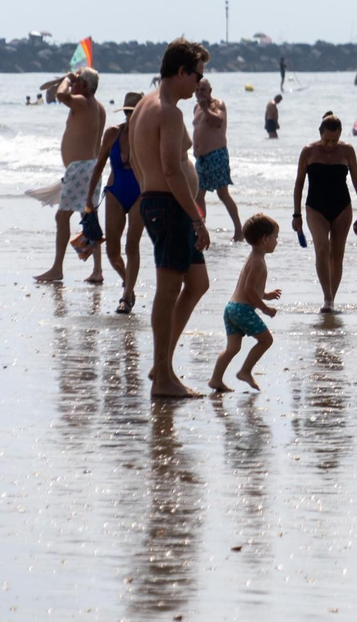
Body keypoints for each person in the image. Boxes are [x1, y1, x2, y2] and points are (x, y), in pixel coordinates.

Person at [131, 38, 214, 397]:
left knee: (197, 284)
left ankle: (160, 363)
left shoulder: (144, 106)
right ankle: (163, 379)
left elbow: (138, 162)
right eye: (197, 76)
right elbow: (170, 168)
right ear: (181, 71)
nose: (199, 83)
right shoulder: (168, 111)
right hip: (169, 205)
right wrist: (196, 217)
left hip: (159, 202)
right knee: (168, 291)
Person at [33, 67, 107, 283]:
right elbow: (56, 92)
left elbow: (60, 95)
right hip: (90, 168)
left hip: (81, 169)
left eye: (77, 82)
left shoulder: (82, 102)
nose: (73, 84)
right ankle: (97, 270)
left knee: (62, 216)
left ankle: (57, 268)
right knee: (88, 217)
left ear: (84, 86)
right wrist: (69, 79)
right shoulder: (98, 107)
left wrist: (67, 78)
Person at [292, 113, 357, 313]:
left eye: (334, 140)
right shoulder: (308, 151)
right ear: (320, 134)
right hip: (315, 207)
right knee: (322, 249)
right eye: (326, 140)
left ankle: (332, 299)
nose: (330, 144)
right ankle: (327, 298)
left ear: (340, 134)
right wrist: (296, 214)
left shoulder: (347, 150)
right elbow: (299, 183)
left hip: (342, 207)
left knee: (337, 255)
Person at [84, 91, 147, 313]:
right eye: (128, 112)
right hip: (115, 191)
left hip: (141, 193)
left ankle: (127, 296)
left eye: (136, 112)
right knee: (112, 250)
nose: (131, 116)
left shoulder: (148, 135)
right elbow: (99, 166)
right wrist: (89, 197)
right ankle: (129, 284)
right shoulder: (112, 134)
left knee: (132, 245)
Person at [208, 214, 282, 392]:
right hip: (243, 310)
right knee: (266, 340)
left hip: (231, 308)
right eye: (275, 237)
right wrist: (264, 308)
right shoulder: (258, 262)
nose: (277, 242)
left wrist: (265, 294)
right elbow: (249, 290)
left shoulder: (253, 258)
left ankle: (216, 380)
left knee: (232, 348)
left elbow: (249, 288)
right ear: (265, 239)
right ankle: (245, 371)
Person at [192, 80, 243, 241]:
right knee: (198, 196)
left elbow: (218, 121)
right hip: (201, 159)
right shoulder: (196, 107)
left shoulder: (217, 104)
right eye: (198, 90)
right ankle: (201, 230)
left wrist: (206, 107)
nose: (200, 92)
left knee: (223, 194)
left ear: (210, 90)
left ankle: (239, 230)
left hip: (217, 155)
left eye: (203, 89)